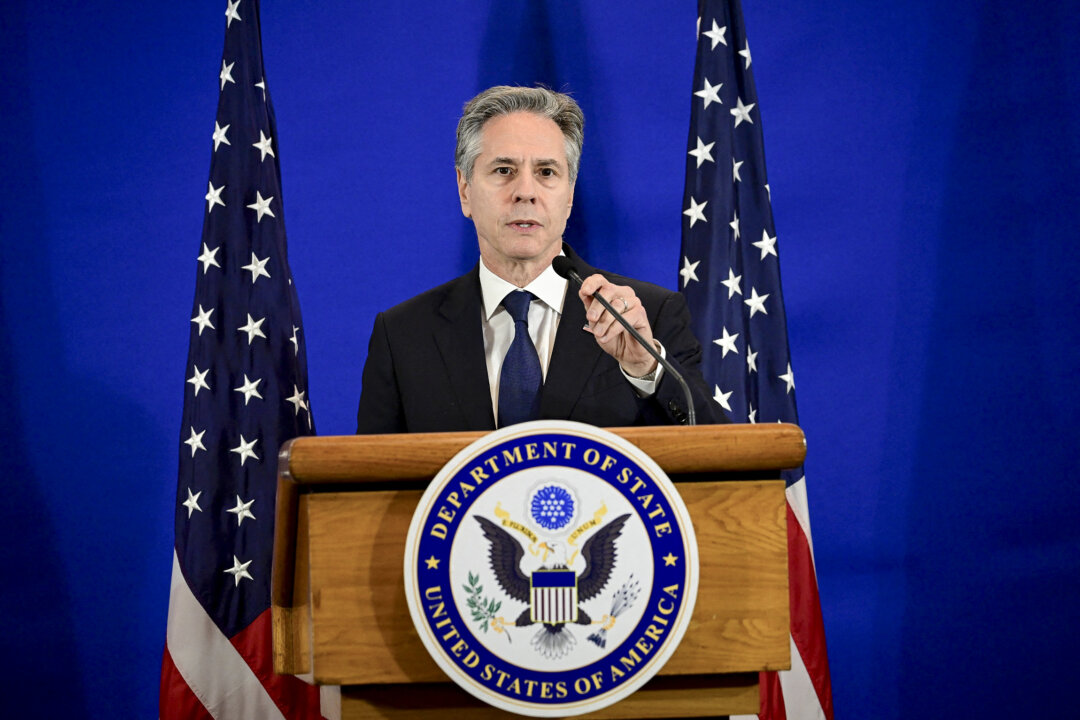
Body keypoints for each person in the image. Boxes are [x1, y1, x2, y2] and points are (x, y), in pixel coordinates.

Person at [356, 86, 723, 433]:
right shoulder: (403, 335)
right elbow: (368, 489)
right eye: (504, 171)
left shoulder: (649, 319)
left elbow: (717, 458)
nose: (525, 192)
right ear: (465, 190)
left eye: (546, 172)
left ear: (569, 195)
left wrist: (644, 367)